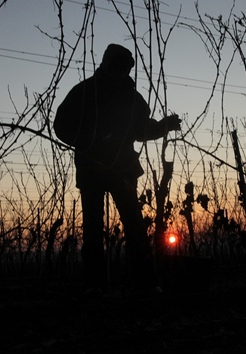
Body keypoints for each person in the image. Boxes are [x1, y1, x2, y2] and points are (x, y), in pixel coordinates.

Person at [53, 43, 181, 296]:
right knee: (93, 229)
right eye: (118, 67)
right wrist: (90, 141)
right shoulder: (85, 92)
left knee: (134, 225)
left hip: (123, 169)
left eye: (125, 69)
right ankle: (95, 286)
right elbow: (61, 125)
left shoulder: (131, 97)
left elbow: (141, 129)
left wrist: (164, 126)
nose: (122, 73)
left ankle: (146, 283)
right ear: (107, 65)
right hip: (91, 170)